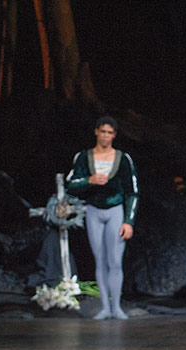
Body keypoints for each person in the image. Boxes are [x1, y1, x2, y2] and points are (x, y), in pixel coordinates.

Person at [66, 116, 140, 320]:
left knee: (115, 260)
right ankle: (105, 308)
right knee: (100, 261)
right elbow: (71, 184)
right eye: (103, 131)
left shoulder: (123, 158)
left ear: (114, 135)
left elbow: (132, 191)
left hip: (115, 210)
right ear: (96, 132)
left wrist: (129, 221)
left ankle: (116, 307)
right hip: (94, 211)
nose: (106, 136)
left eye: (110, 132)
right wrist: (89, 180)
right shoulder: (84, 156)